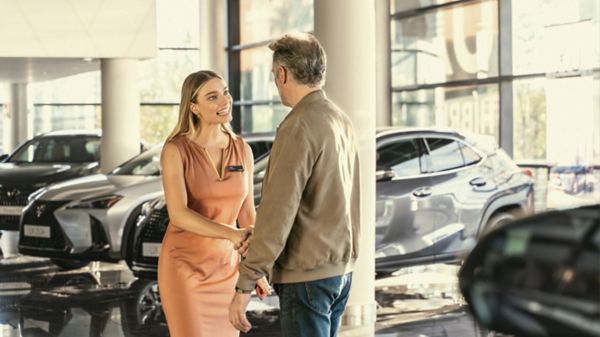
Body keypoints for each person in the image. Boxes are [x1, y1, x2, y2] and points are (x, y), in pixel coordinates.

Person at [229, 33, 361, 337]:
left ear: (282, 73)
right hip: (339, 271)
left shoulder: (299, 125)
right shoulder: (340, 119)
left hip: (306, 278)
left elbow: (279, 211)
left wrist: (246, 282)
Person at [158, 70, 269, 337]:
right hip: (184, 269)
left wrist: (255, 269)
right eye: (213, 97)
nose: (225, 101)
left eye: (226, 92)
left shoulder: (243, 149)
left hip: (226, 269)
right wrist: (232, 234)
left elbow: (247, 216)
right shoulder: (175, 150)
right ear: (194, 107)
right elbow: (179, 214)